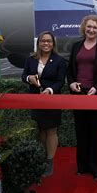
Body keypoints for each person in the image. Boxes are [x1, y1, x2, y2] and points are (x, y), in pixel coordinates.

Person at [67, 15, 97, 181]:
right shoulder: (76, 46)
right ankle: (83, 166)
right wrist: (71, 83)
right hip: (78, 95)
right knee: (82, 131)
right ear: (84, 28)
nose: (91, 30)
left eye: (95, 27)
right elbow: (70, 70)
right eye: (89, 27)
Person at [22, 31, 67, 177]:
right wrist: (30, 78)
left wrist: (49, 89)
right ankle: (43, 156)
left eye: (49, 41)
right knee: (41, 129)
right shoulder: (31, 60)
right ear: (38, 43)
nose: (46, 43)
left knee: (51, 130)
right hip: (36, 99)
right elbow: (24, 76)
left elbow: (60, 81)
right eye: (43, 41)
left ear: (53, 44)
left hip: (52, 100)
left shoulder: (59, 61)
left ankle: (50, 161)